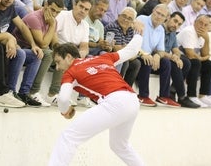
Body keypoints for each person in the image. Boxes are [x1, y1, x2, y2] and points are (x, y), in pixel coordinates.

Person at [48, 35, 145, 166]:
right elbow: (132, 50)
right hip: (132, 100)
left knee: (68, 137)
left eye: (58, 62)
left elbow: (63, 98)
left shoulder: (70, 73)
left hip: (114, 102)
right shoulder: (103, 58)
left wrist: (64, 111)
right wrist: (139, 34)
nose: (58, 67)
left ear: (69, 57)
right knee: (120, 146)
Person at [0, 0, 44, 106]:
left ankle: (24, 93)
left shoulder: (11, 8)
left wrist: (34, 45)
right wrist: (10, 40)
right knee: (20, 53)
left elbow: (23, 27)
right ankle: (10, 91)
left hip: (8, 42)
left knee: (36, 55)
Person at [14, 0, 65, 107]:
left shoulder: (53, 21)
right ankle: (34, 91)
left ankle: (53, 94)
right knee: (48, 54)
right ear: (45, 5)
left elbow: (54, 42)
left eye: (58, 12)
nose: (54, 14)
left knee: (61, 56)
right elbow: (43, 43)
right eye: (52, 10)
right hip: (21, 48)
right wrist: (51, 26)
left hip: (36, 50)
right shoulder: (34, 18)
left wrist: (63, 50)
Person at [43, 0, 92, 107]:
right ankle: (52, 94)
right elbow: (53, 33)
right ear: (74, 5)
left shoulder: (85, 25)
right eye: (81, 6)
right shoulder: (63, 15)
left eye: (86, 9)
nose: (83, 11)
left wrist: (80, 55)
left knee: (87, 60)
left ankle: (81, 96)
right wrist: (62, 50)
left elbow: (85, 46)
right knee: (65, 57)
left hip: (72, 53)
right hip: (55, 48)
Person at [136, 4, 180, 107]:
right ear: (153, 11)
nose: (159, 16)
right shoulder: (141, 19)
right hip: (137, 54)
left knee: (166, 62)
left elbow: (161, 51)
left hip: (149, 57)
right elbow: (134, 41)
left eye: (162, 15)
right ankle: (143, 95)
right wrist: (145, 54)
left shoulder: (160, 29)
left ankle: (163, 96)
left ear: (166, 18)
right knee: (147, 60)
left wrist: (157, 56)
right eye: (157, 13)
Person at [177, 14, 211, 107]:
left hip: (189, 60)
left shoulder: (203, 35)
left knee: (209, 65)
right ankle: (191, 95)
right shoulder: (189, 31)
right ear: (195, 22)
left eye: (206, 25)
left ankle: (203, 95)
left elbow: (205, 53)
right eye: (200, 23)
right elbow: (190, 54)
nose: (202, 26)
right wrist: (203, 58)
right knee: (196, 63)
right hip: (178, 58)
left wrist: (206, 39)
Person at [163, 12, 200, 108]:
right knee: (174, 64)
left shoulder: (172, 33)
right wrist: (173, 57)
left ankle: (172, 91)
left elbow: (176, 49)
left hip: (167, 57)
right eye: (175, 21)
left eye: (179, 24)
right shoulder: (160, 29)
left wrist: (177, 56)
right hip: (159, 57)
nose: (176, 25)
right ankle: (182, 96)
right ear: (168, 17)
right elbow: (158, 50)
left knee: (186, 62)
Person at [104, 7, 141, 86]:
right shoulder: (113, 26)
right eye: (124, 16)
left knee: (136, 63)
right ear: (118, 16)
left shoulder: (130, 30)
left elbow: (133, 50)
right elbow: (118, 50)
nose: (126, 20)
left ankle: (126, 90)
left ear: (132, 22)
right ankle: (116, 87)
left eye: (129, 18)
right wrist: (128, 50)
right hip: (110, 54)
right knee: (124, 61)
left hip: (123, 56)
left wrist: (128, 50)